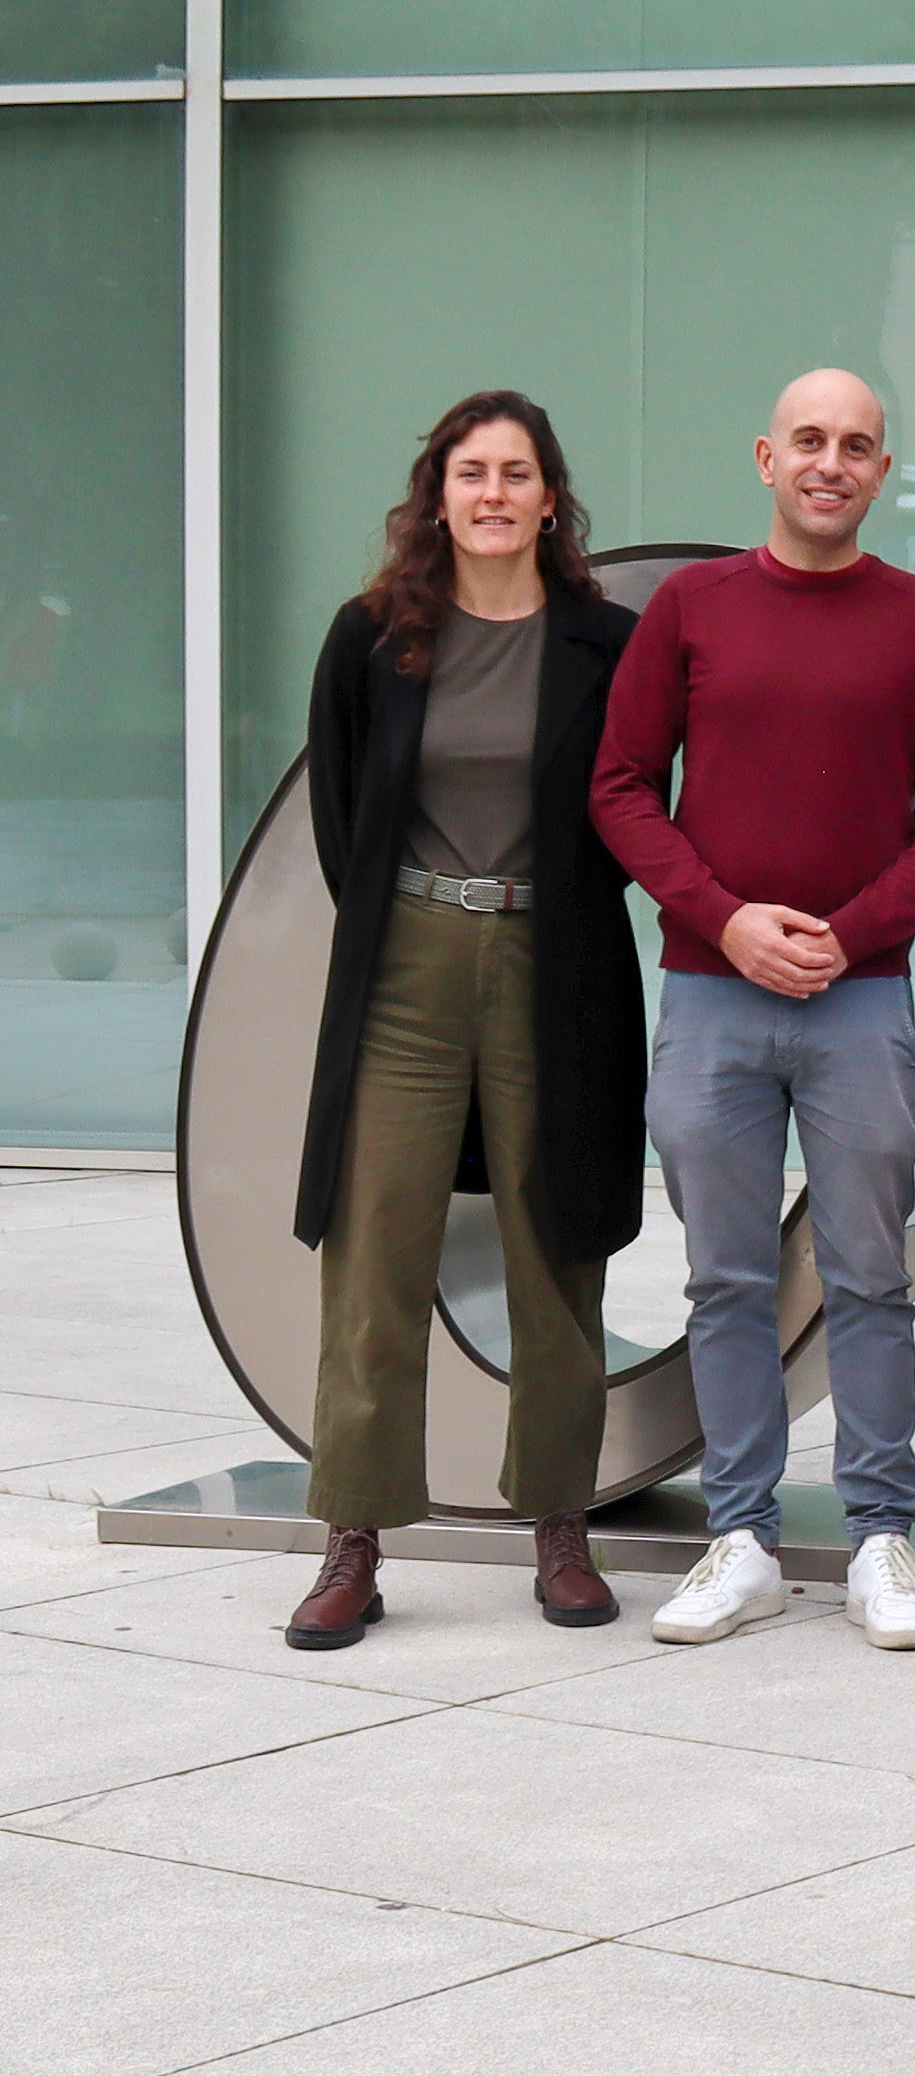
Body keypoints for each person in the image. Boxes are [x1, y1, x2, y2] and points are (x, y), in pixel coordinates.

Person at [593, 370, 915, 1653]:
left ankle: (883, 1537)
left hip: (858, 1000)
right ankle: (743, 1540)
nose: (833, 461)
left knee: (869, 1275)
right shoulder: (690, 606)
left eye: (860, 445)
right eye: (811, 440)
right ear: (766, 455)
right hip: (711, 995)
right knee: (723, 1279)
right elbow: (618, 788)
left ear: (884, 472)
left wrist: (855, 929)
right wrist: (724, 917)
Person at [278, 390, 650, 1650]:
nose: (494, 493)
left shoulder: (608, 641)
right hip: (409, 963)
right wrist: (420, 923)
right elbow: (345, 820)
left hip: (558, 955)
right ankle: (353, 1537)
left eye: (518, 472)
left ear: (553, 498)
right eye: (470, 472)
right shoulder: (372, 637)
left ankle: (559, 1523)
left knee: (556, 1245)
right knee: (375, 1246)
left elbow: (636, 798)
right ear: (437, 494)